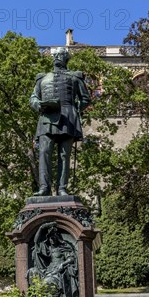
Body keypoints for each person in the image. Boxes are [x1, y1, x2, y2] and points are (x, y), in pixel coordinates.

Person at [30, 47, 91, 196]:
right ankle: (44, 188)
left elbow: (85, 99)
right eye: (55, 55)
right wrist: (38, 104)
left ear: (66, 58)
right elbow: (33, 98)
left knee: (64, 155)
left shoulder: (75, 77)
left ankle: (62, 188)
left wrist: (77, 108)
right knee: (44, 152)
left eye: (60, 55)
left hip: (68, 118)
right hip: (46, 118)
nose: (57, 57)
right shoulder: (42, 78)